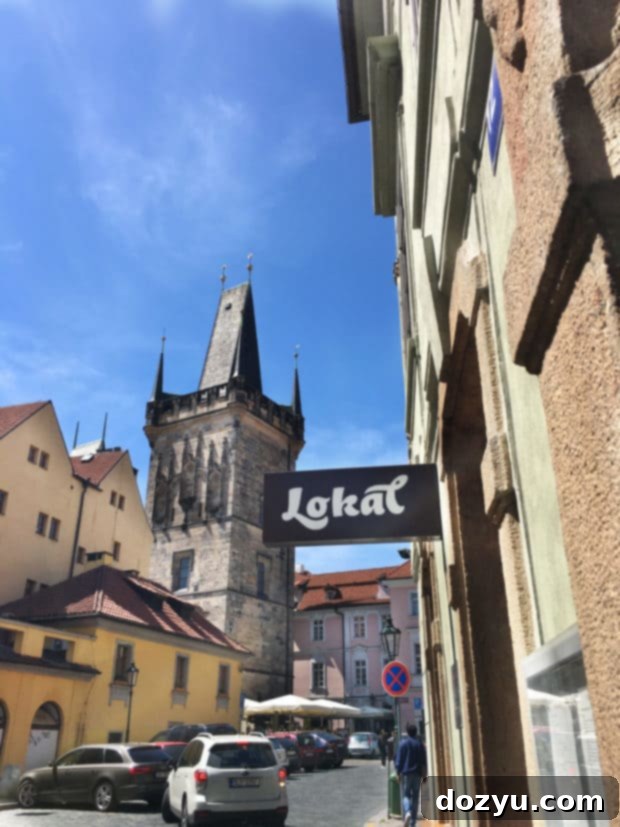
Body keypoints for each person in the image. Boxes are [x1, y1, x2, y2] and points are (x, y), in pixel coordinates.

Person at [394, 723, 427, 827]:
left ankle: (407, 811)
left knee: (406, 795)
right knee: (416, 797)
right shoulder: (419, 744)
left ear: (407, 732)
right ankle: (412, 823)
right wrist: (424, 773)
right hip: (417, 773)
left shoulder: (403, 744)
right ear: (416, 732)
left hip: (406, 773)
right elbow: (423, 760)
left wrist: (398, 772)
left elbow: (399, 760)